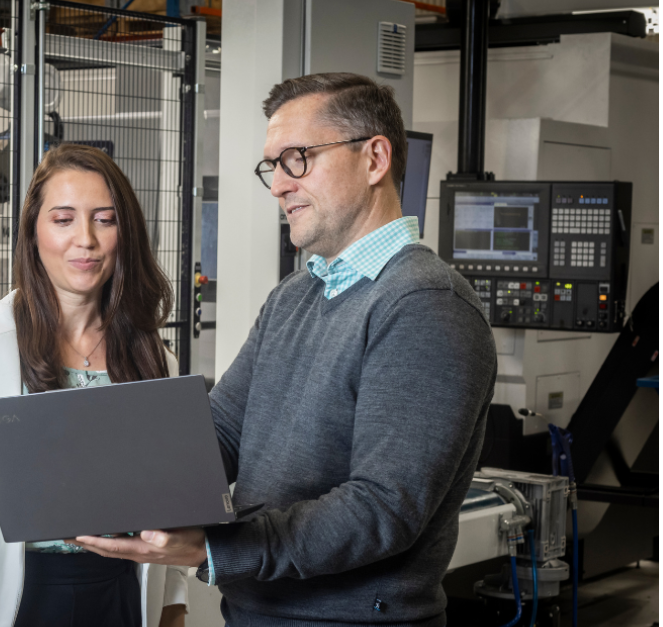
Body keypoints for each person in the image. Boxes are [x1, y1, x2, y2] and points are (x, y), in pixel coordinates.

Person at [72, 73, 498, 626]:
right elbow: (222, 430)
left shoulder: (424, 304)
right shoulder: (297, 294)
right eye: (272, 165)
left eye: (297, 158)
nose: (277, 185)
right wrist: (99, 475)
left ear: (374, 159)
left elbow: (382, 509)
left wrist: (215, 549)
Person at [0, 144, 189, 627]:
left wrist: (173, 608)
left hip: (122, 593)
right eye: (63, 220)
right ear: (34, 231)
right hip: (18, 597)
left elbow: (176, 505)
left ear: (127, 233)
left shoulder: (155, 357)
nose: (86, 240)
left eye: (105, 219)